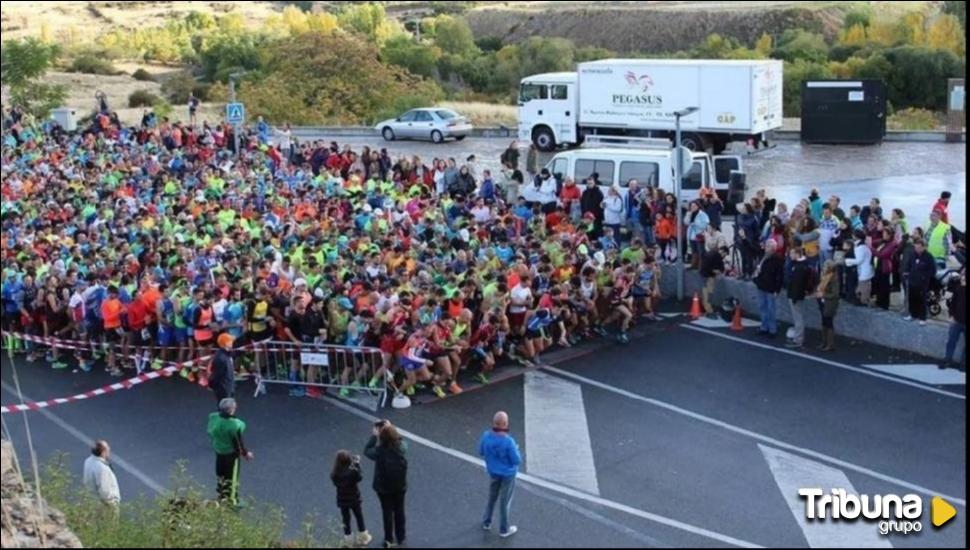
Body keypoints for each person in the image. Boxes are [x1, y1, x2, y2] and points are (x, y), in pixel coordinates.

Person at [365, 421, 408, 548]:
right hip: (400, 486)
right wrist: (390, 428)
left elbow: (367, 450)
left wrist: (374, 436)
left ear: (381, 438)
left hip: (383, 488)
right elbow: (401, 440)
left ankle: (388, 539)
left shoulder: (378, 452)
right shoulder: (401, 448)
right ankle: (401, 536)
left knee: (387, 512)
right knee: (400, 510)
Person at [479, 411, 522, 538]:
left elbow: (480, 451)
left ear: (494, 423)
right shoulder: (509, 442)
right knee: (504, 501)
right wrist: (516, 449)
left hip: (493, 472)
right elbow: (517, 460)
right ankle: (504, 529)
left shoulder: (486, 436)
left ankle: (486, 522)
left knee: (492, 497)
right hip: (508, 475)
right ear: (505, 424)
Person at [207, 398, 253, 507]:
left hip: (218, 450)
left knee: (220, 474)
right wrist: (245, 453)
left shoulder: (213, 418)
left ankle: (222, 495)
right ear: (232, 410)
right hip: (230, 454)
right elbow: (238, 442)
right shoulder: (235, 425)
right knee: (232, 477)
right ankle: (232, 501)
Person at [331, 450, 372, 547]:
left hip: (342, 499)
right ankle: (363, 537)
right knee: (359, 516)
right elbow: (359, 477)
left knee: (346, 519)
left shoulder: (334, 474)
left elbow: (336, 483)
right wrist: (357, 464)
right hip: (354, 498)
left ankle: (348, 540)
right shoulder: (352, 472)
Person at [753, 239, 784, 338]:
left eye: (768, 246)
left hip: (770, 288)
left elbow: (780, 276)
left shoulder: (777, 259)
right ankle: (764, 327)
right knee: (762, 307)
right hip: (761, 285)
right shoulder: (764, 256)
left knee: (771, 309)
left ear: (773, 248)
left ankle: (772, 329)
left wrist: (777, 289)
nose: (765, 247)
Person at [904, 239, 937, 326]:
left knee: (922, 300)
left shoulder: (929, 257)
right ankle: (912, 314)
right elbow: (908, 265)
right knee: (912, 299)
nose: (917, 249)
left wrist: (924, 277)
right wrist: (906, 273)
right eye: (915, 247)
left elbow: (933, 271)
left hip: (922, 283)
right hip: (912, 281)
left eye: (919, 248)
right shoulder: (912, 255)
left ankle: (922, 318)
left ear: (923, 247)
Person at [786, 247, 813, 349]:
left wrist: (794, 296)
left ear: (797, 254)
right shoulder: (802, 264)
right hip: (796, 294)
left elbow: (798, 284)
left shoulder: (800, 267)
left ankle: (798, 339)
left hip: (796, 295)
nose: (790, 256)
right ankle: (798, 337)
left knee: (798, 318)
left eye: (792, 254)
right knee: (797, 317)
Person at [83, 440, 120, 507]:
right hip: (104, 507)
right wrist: (113, 504)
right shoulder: (102, 468)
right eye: (107, 448)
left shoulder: (88, 461)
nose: (109, 449)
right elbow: (105, 491)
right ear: (103, 452)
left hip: (91, 502)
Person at [815, 260, 840, 352]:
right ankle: (824, 342)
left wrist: (823, 295)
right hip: (823, 302)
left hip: (830, 303)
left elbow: (835, 294)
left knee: (828, 322)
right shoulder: (825, 277)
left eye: (825, 266)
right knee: (824, 321)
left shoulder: (833, 279)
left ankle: (830, 344)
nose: (823, 267)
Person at [843, 229, 873, 307]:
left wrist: (847, 261)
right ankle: (863, 300)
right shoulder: (861, 245)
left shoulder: (861, 247)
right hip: (863, 270)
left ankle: (864, 302)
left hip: (864, 271)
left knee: (863, 288)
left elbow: (858, 260)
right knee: (862, 287)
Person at [943, 268, 965, 370]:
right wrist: (951, 315)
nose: (962, 278)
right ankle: (947, 360)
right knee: (951, 341)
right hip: (956, 320)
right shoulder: (959, 288)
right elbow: (953, 303)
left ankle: (963, 364)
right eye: (962, 276)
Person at [699, 246, 728, 320]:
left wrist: (718, 271)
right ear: (722, 251)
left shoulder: (716, 255)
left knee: (708, 294)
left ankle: (708, 309)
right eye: (725, 254)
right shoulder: (712, 255)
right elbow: (706, 266)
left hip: (708, 276)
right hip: (707, 276)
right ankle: (709, 311)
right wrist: (714, 271)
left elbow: (721, 266)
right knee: (708, 294)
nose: (724, 257)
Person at [208, 332, 236, 405]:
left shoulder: (225, 353)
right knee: (225, 407)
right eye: (231, 341)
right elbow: (217, 375)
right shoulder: (221, 358)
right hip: (224, 389)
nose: (232, 342)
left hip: (228, 386)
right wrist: (213, 385)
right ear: (226, 344)